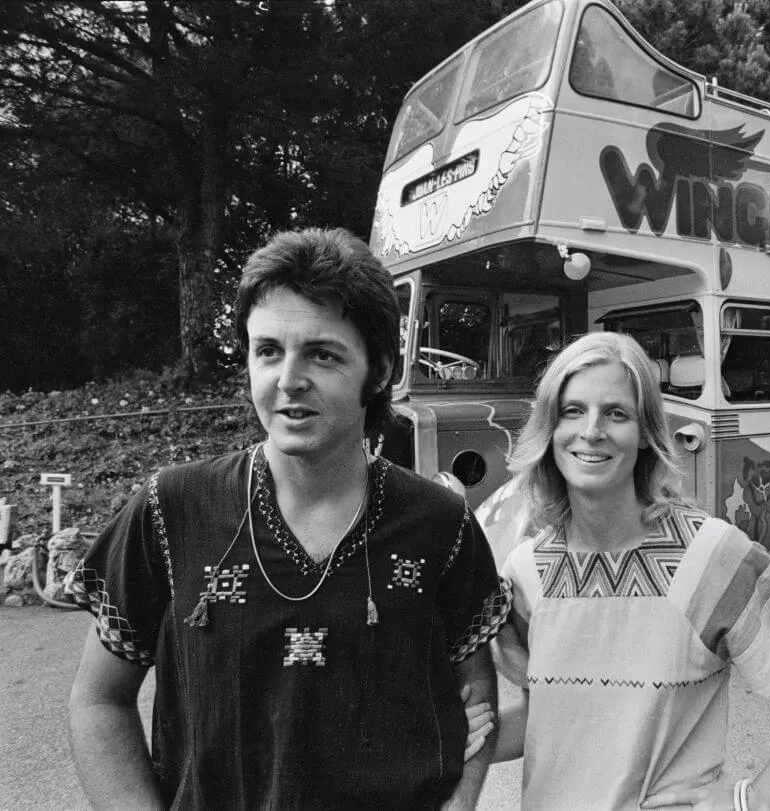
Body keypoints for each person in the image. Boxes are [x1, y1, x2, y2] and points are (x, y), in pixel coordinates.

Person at [67, 227, 508, 809]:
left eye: (322, 354)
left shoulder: (440, 525)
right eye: (268, 350)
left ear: (377, 372)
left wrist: (463, 798)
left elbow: (476, 693)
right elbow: (99, 700)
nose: (288, 379)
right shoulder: (170, 510)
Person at [484, 331, 770, 810]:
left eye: (616, 413)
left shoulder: (710, 556)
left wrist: (761, 796)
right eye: (572, 411)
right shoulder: (526, 570)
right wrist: (443, 739)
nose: (592, 430)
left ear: (645, 432)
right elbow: (549, 716)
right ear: (550, 428)